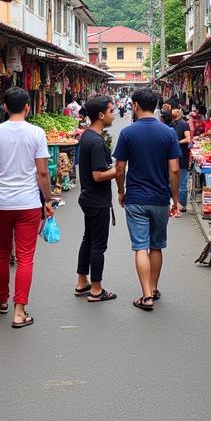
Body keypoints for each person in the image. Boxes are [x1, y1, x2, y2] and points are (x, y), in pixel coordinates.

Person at [0, 86, 55, 327]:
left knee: (2, 252)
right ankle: (20, 311)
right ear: (27, 107)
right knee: (25, 258)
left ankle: (2, 300)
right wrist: (48, 199)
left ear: (4, 107)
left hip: (1, 202)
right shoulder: (36, 133)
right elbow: (43, 172)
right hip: (28, 203)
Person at [113, 87, 182, 311]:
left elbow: (120, 168)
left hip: (136, 197)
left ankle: (146, 295)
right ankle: (152, 288)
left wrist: (121, 191)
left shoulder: (128, 133)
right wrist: (175, 197)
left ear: (135, 105)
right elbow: (174, 170)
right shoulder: (169, 133)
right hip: (160, 198)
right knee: (156, 246)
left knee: (140, 247)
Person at [74, 95, 120, 303]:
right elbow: (98, 175)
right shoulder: (96, 141)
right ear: (101, 115)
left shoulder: (86, 136)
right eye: (111, 110)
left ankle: (82, 281)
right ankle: (96, 289)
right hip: (97, 199)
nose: (114, 114)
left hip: (88, 197)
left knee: (88, 239)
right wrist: (118, 170)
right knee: (98, 245)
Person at [172, 105, 192, 212]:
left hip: (182, 156)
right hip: (177, 157)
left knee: (182, 182)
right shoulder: (174, 125)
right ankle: (178, 203)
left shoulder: (184, 125)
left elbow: (188, 139)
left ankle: (182, 204)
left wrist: (178, 143)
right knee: (177, 181)